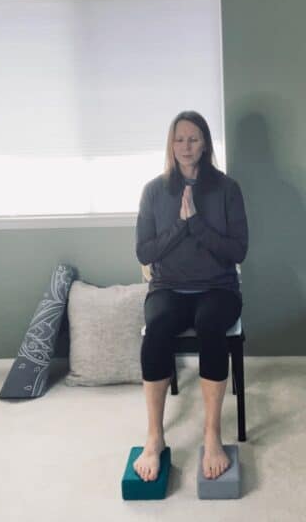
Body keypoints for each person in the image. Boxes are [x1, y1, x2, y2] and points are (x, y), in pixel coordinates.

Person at [134, 110, 249, 482]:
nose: (186, 146)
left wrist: (197, 223)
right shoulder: (153, 191)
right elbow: (145, 253)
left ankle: (212, 434)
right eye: (179, 139)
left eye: (194, 138)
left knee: (210, 324)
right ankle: (155, 437)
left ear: (205, 144)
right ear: (171, 143)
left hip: (218, 289)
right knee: (158, 328)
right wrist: (181, 225)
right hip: (168, 289)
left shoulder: (227, 189)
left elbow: (238, 252)